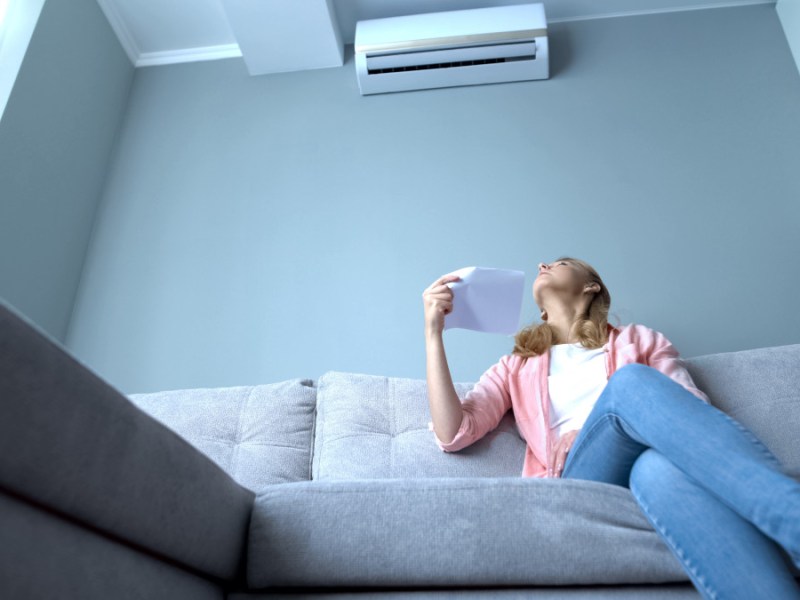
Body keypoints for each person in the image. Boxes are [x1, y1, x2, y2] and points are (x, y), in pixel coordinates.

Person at [422, 257, 800, 599]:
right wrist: (433, 334)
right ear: (539, 311)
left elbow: (690, 415)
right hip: (581, 478)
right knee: (631, 383)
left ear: (591, 286)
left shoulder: (641, 341)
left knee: (656, 468)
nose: (542, 263)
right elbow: (454, 432)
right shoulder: (517, 365)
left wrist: (594, 423)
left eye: (561, 261)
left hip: (649, 472)